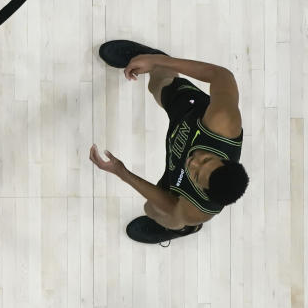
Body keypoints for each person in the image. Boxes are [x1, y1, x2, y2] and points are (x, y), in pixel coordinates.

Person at [90, 40, 249, 245]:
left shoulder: (198, 209)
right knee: (159, 81)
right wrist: (157, 60)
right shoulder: (223, 122)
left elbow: (173, 205)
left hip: (176, 177)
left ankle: (183, 229)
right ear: (224, 159)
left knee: (156, 211)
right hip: (190, 118)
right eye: (206, 159)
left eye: (197, 174)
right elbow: (222, 76)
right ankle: (151, 58)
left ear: (201, 189)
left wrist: (122, 172)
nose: (193, 162)